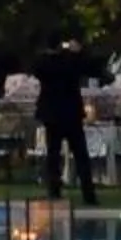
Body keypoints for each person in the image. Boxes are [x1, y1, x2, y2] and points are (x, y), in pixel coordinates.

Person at [34, 37, 96, 204]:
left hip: (54, 114)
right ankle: (88, 194)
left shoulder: (46, 62)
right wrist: (77, 53)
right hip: (70, 113)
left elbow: (38, 69)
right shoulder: (69, 61)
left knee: (53, 154)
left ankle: (54, 190)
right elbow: (85, 68)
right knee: (80, 155)